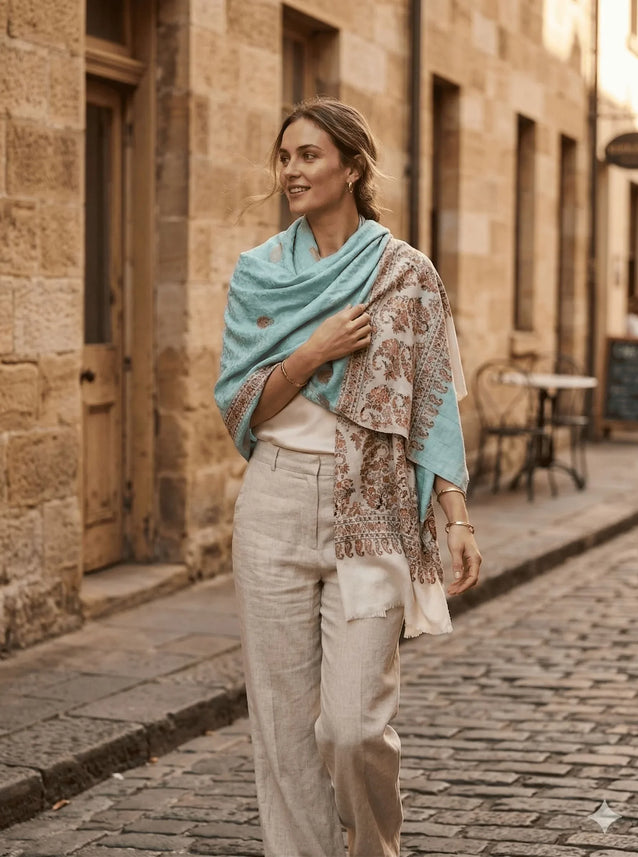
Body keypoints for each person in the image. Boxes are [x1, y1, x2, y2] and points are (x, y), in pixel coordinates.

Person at [215, 96, 482, 857]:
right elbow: (239, 402)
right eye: (285, 157)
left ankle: (373, 850)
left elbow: (432, 404)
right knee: (282, 726)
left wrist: (455, 516)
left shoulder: (406, 274)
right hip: (274, 498)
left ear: (352, 167)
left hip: (374, 503)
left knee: (353, 725)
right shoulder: (259, 273)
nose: (290, 171)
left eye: (308, 156)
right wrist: (313, 352)